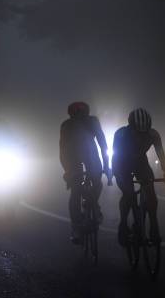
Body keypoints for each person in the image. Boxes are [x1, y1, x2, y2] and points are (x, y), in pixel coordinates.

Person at [112, 108, 165, 245]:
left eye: (143, 134)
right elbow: (115, 157)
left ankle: (153, 225)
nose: (140, 137)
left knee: (151, 195)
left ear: (149, 129)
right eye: (136, 133)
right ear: (130, 127)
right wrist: (118, 175)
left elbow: (162, 157)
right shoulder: (121, 134)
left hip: (140, 162)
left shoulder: (153, 135)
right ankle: (123, 224)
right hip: (122, 162)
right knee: (129, 194)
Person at [59, 101, 110, 243]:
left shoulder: (92, 122)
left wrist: (106, 165)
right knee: (76, 190)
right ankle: (76, 226)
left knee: (97, 181)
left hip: (90, 154)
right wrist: (68, 170)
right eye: (77, 117)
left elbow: (102, 143)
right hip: (73, 157)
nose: (80, 120)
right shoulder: (67, 126)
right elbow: (63, 150)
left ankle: (92, 203)